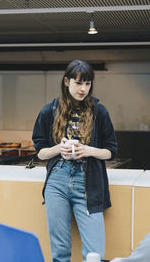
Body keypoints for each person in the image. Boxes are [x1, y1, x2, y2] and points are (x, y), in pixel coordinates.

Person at [32, 60, 117, 262]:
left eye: (87, 84)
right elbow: (40, 153)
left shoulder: (100, 111)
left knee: (94, 254)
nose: (83, 89)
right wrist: (58, 149)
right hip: (57, 181)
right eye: (79, 83)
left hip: (88, 182)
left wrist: (88, 150)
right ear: (66, 82)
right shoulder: (49, 111)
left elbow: (111, 151)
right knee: (60, 252)